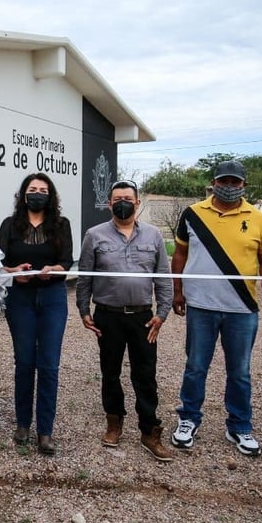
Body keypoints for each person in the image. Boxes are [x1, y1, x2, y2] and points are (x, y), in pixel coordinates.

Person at [170, 160, 262, 457]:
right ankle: (188, 419)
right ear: (213, 182)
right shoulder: (192, 214)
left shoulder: (258, 218)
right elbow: (179, 255)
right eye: (224, 181)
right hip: (201, 306)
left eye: (234, 183)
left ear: (244, 185)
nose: (228, 187)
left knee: (240, 371)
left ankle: (240, 426)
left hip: (242, 307)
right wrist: (177, 292)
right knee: (195, 367)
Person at [76, 179, 175, 462]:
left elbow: (163, 278)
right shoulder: (94, 235)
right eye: (117, 198)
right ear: (109, 204)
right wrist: (84, 310)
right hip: (108, 316)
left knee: (145, 374)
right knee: (110, 372)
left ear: (137, 203)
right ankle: (114, 420)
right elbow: (85, 277)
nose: (123, 203)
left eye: (128, 198)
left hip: (143, 317)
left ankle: (149, 430)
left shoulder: (154, 235)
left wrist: (162, 313)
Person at [0, 173, 73, 456]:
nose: (37, 193)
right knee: (25, 362)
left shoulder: (62, 225)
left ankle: (46, 431)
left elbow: (66, 262)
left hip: (52, 298)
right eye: (32, 189)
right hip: (21, 298)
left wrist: (55, 269)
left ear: (50, 195)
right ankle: (23, 424)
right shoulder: (10, 225)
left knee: (49, 364)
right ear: (23, 194)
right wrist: (14, 274)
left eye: (43, 190)